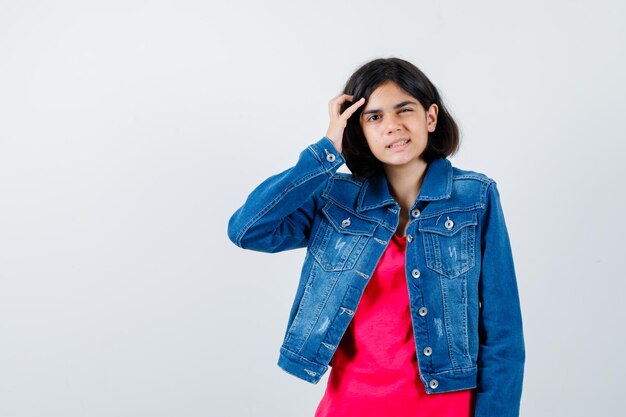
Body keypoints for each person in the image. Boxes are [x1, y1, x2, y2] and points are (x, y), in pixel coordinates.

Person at [227, 57, 525, 417]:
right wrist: (326, 151)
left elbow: (503, 330)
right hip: (351, 404)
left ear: (430, 117)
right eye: (374, 117)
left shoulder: (474, 197)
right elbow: (247, 230)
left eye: (404, 111)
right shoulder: (335, 200)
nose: (393, 127)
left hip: (446, 407)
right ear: (359, 130)